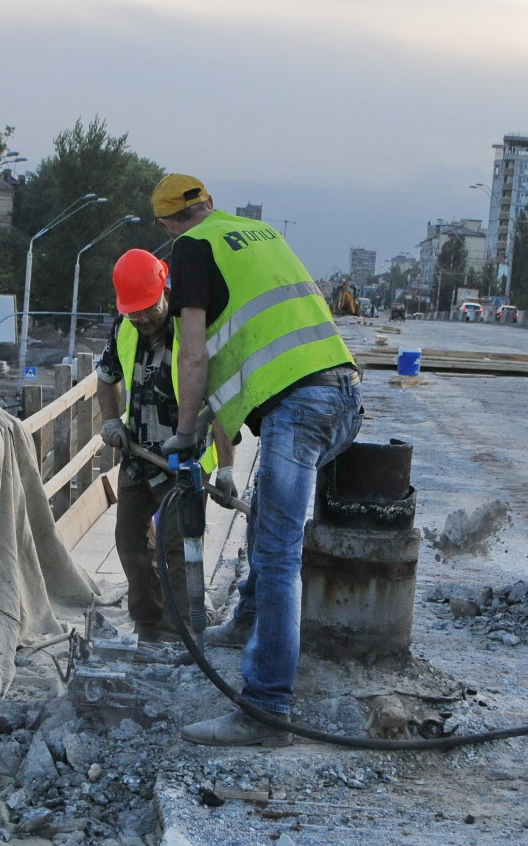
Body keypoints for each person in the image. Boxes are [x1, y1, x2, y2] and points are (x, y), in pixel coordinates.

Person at [152, 173, 363, 747]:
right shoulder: (257, 233)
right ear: (211, 204)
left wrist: (185, 432)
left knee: (277, 558)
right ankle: (246, 621)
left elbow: (194, 356)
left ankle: (266, 712)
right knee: (266, 519)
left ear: (168, 224)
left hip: (298, 409)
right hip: (345, 396)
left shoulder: (191, 251)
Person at [96, 248, 234, 643]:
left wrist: (225, 466)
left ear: (165, 289)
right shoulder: (124, 326)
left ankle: (182, 632)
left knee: (177, 552)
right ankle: (148, 624)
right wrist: (110, 420)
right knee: (129, 544)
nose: (140, 317)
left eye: (146, 308)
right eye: (132, 310)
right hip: (138, 457)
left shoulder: (193, 329)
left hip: (184, 464)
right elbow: (105, 377)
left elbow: (223, 403)